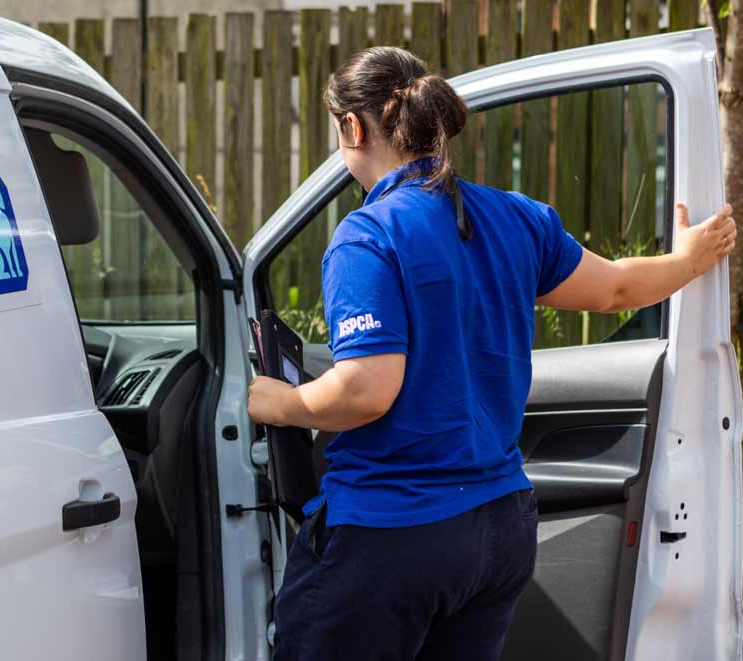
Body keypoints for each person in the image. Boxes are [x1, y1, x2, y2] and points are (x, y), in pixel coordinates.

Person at [246, 46, 736, 661]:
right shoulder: (516, 218)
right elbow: (614, 288)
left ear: (353, 127)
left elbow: (367, 389)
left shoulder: (367, 236)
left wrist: (281, 402)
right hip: (499, 531)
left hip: (393, 534)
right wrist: (688, 261)